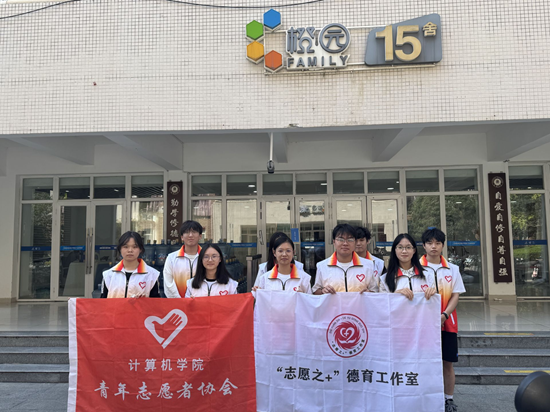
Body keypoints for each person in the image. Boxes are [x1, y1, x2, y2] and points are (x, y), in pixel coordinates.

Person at [421, 228, 466, 412]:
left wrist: (444, 315)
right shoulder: (415, 268)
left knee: (447, 363)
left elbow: (455, 295)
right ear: (423, 246)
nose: (434, 246)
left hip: (447, 323)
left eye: (437, 243)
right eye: (430, 243)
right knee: (423, 362)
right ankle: (423, 396)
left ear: (442, 245)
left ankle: (448, 399)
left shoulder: (452, 269)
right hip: (422, 325)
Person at [313, 224, 377, 294]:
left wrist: (369, 293)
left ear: (355, 242)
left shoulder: (368, 265)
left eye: (350, 240)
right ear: (334, 242)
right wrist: (322, 291)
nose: (345, 243)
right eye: (341, 239)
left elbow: (375, 291)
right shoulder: (322, 266)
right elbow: (315, 291)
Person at [101, 231, 160, 298]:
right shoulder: (109, 275)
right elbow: (102, 302)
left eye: (134, 247)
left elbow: (156, 302)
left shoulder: (152, 275)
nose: (130, 250)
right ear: (120, 249)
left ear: (140, 249)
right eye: (126, 247)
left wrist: (144, 301)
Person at [379, 233, 436, 300]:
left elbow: (434, 302)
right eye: (400, 247)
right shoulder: (385, 279)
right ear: (395, 250)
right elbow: (382, 303)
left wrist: (433, 294)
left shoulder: (427, 275)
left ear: (414, 250)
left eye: (408, 247)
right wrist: (395, 295)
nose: (404, 251)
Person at [163, 220, 203, 298]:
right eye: (187, 232)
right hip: (178, 303)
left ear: (200, 236)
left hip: (202, 302)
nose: (190, 235)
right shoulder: (172, 258)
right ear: (182, 237)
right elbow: (168, 284)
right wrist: (180, 301)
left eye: (194, 232)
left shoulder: (206, 257)